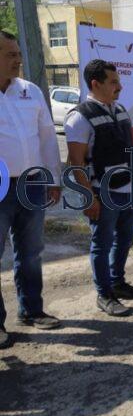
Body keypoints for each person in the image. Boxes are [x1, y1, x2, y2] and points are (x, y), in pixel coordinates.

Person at [64, 59, 133, 317]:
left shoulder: (120, 109)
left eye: (119, 81)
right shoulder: (80, 116)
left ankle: (117, 282)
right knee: (102, 244)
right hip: (103, 192)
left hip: (128, 190)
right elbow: (76, 162)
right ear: (95, 84)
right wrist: (89, 198)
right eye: (113, 82)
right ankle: (105, 294)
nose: (119, 86)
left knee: (124, 240)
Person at [0, 31, 63, 349]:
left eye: (18, 53)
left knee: (31, 252)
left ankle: (31, 310)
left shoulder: (30, 91)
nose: (18, 59)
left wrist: (53, 178)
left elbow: (48, 137)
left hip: (32, 185)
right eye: (10, 54)